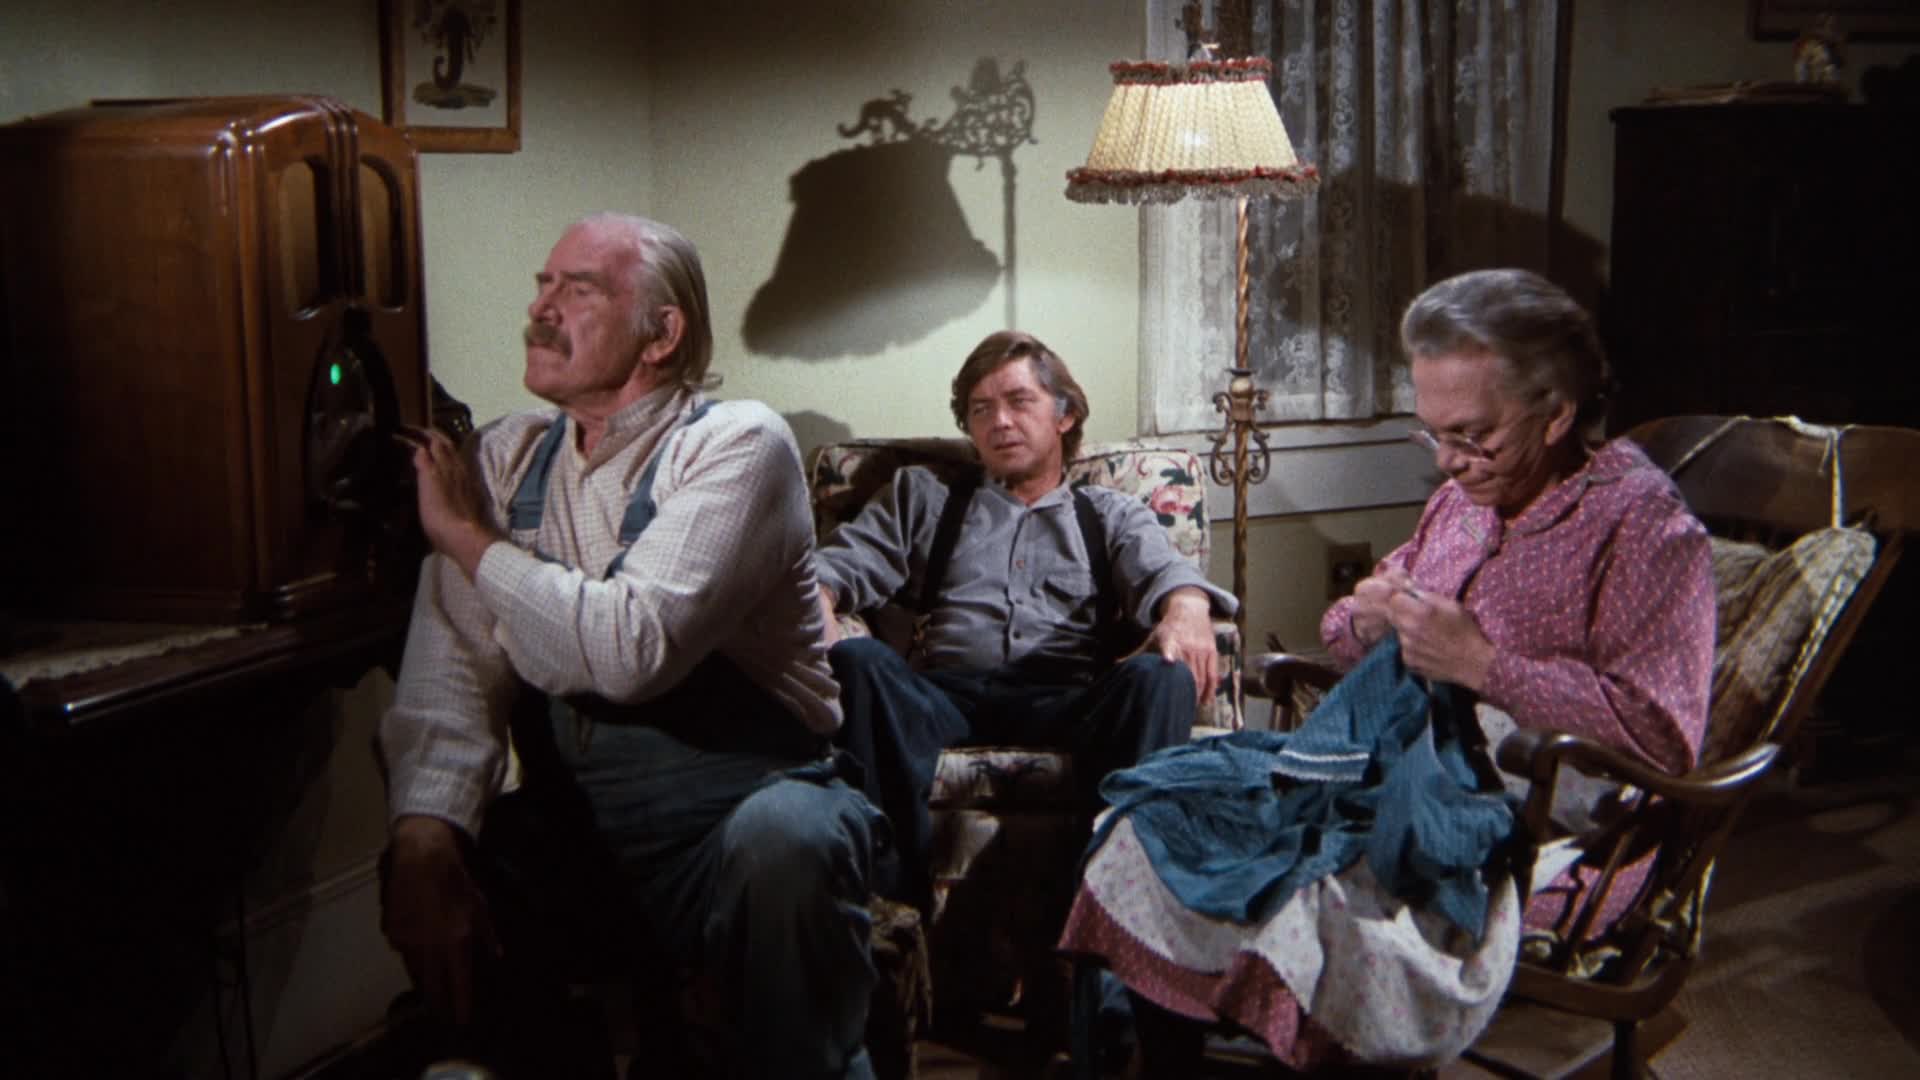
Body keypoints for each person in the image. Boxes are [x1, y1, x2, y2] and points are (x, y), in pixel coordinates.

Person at [1056, 269, 1716, 1070]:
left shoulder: (1644, 526)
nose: (1451, 462)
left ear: (1556, 413)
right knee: (1149, 820)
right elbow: (1346, 631)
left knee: (1304, 891)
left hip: (1532, 817)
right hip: (1378, 760)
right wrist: (1365, 619)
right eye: (1433, 434)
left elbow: (1662, 737)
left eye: (1472, 435)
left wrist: (1485, 665)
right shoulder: (1463, 503)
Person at [377, 213, 879, 1080]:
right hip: (577, 825)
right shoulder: (502, 458)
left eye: (578, 291)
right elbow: (452, 665)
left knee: (789, 842)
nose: (541, 310)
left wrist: (466, 538)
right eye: (542, 286)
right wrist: (424, 832)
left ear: (662, 333)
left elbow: (630, 650)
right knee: (446, 871)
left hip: (737, 813)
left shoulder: (737, 445)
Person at [815, 330, 1238, 912]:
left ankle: (1113, 905)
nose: (1000, 422)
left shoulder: (1109, 513)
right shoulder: (925, 495)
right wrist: (819, 598)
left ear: (1065, 415)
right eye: (981, 409)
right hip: (942, 698)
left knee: (1158, 678)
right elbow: (842, 562)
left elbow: (1165, 572)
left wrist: (1186, 607)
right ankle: (895, 910)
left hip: (1065, 702)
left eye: (1019, 401)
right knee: (858, 660)